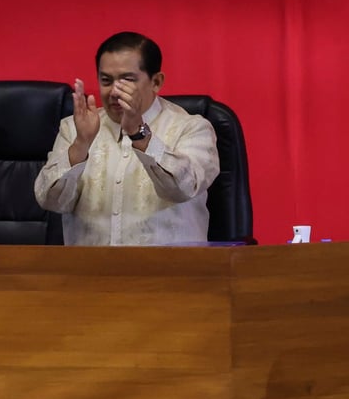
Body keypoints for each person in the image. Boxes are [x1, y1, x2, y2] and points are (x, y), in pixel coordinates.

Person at [34, 31, 220, 245]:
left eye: (127, 80)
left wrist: (139, 134)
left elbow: (184, 187)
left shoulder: (192, 128)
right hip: (89, 273)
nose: (114, 91)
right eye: (106, 80)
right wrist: (81, 144)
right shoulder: (75, 128)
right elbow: (49, 200)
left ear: (156, 82)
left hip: (169, 273)